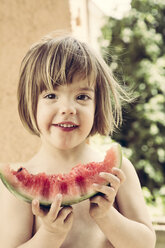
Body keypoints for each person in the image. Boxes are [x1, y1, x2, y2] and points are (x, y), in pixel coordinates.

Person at [0, 32, 156, 248]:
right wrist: (51, 233)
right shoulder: (15, 188)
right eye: (51, 95)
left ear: (97, 106)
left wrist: (107, 215)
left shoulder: (117, 173)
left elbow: (145, 243)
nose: (67, 109)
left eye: (82, 96)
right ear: (31, 104)